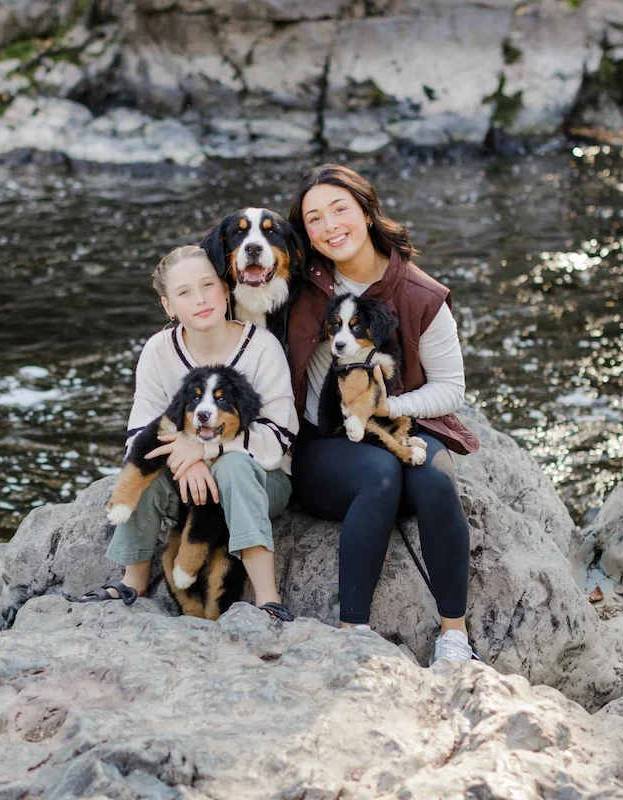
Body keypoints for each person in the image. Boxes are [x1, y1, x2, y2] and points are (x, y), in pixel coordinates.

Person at [285, 164, 481, 664]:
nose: (329, 226)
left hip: (400, 421)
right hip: (323, 440)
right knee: (378, 473)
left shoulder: (422, 295)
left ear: (367, 213)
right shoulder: (297, 286)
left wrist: (386, 406)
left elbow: (450, 390)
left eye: (339, 210)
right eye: (314, 219)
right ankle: (355, 631)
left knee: (435, 482)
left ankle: (454, 638)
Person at [89, 245, 297, 621]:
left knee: (233, 466)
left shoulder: (262, 347)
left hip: (260, 477)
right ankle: (132, 580)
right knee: (147, 465)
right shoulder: (158, 350)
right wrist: (187, 462)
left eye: (208, 285)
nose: (200, 299)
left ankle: (268, 596)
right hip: (187, 484)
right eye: (185, 293)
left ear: (226, 288)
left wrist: (205, 451)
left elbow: (280, 435)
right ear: (169, 307)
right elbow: (140, 431)